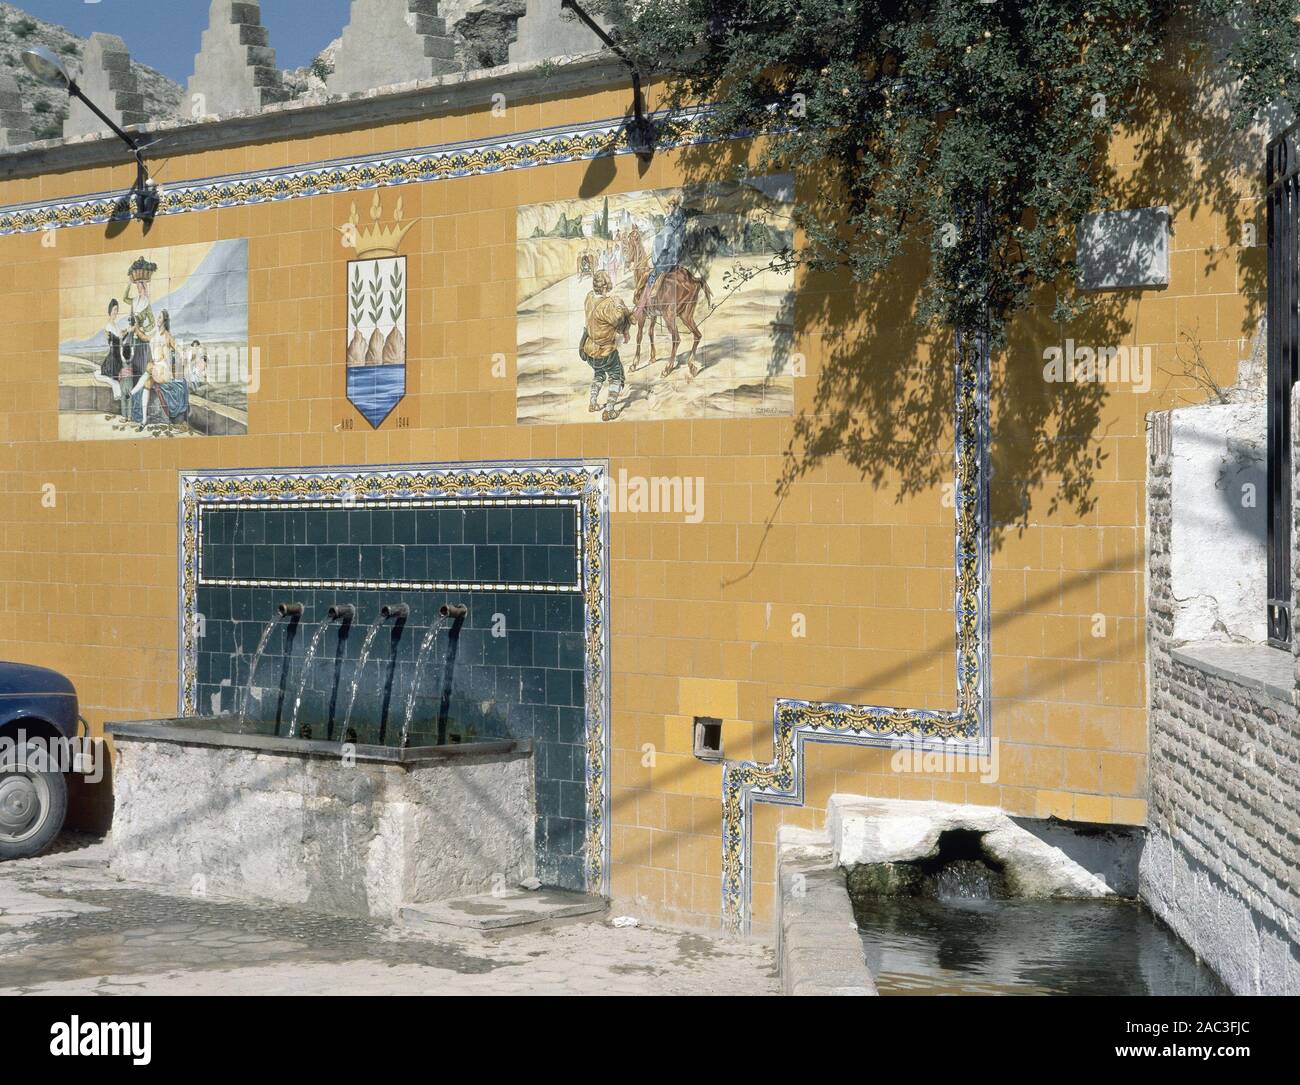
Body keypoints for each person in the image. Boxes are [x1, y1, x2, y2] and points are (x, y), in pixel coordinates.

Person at [580, 271, 631, 421]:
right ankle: (609, 410)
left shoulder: (589, 297)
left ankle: (593, 402)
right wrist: (619, 304)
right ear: (606, 285)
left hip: (589, 350)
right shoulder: (608, 304)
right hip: (606, 352)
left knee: (599, 374)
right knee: (616, 376)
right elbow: (618, 319)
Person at [92, 299, 128, 419]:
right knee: (113, 378)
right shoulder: (108, 326)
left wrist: (125, 333)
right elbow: (115, 341)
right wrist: (124, 334)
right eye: (114, 310)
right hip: (113, 357)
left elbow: (119, 338)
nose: (116, 312)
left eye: (117, 310)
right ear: (110, 311)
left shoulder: (116, 325)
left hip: (117, 356)